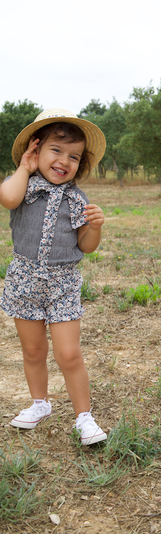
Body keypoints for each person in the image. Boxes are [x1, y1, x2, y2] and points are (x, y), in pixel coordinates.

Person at [0, 108, 108, 445]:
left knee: (69, 354)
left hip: (62, 284)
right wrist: (23, 166)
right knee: (33, 351)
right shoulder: (24, 187)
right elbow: (7, 198)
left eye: (73, 156)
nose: (64, 161)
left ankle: (84, 417)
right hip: (24, 280)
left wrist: (95, 226)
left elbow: (86, 246)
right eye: (56, 150)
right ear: (35, 150)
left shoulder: (77, 199)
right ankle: (39, 403)